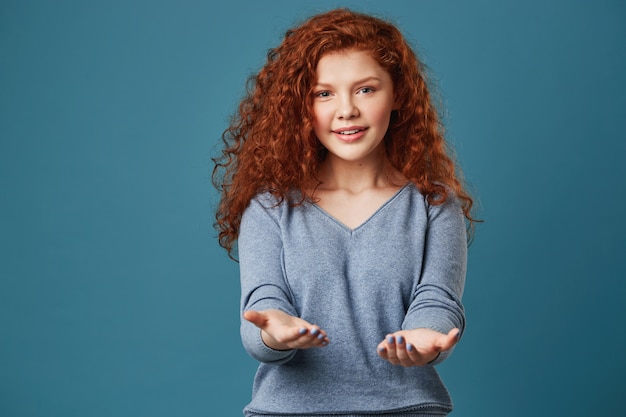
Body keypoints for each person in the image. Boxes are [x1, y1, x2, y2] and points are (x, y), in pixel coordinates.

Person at [213, 8, 478, 417]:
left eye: (366, 90)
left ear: (398, 95)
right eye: (324, 93)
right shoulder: (268, 207)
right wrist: (276, 331)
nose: (347, 110)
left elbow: (437, 298)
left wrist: (426, 336)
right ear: (302, 106)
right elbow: (262, 307)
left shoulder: (435, 206)